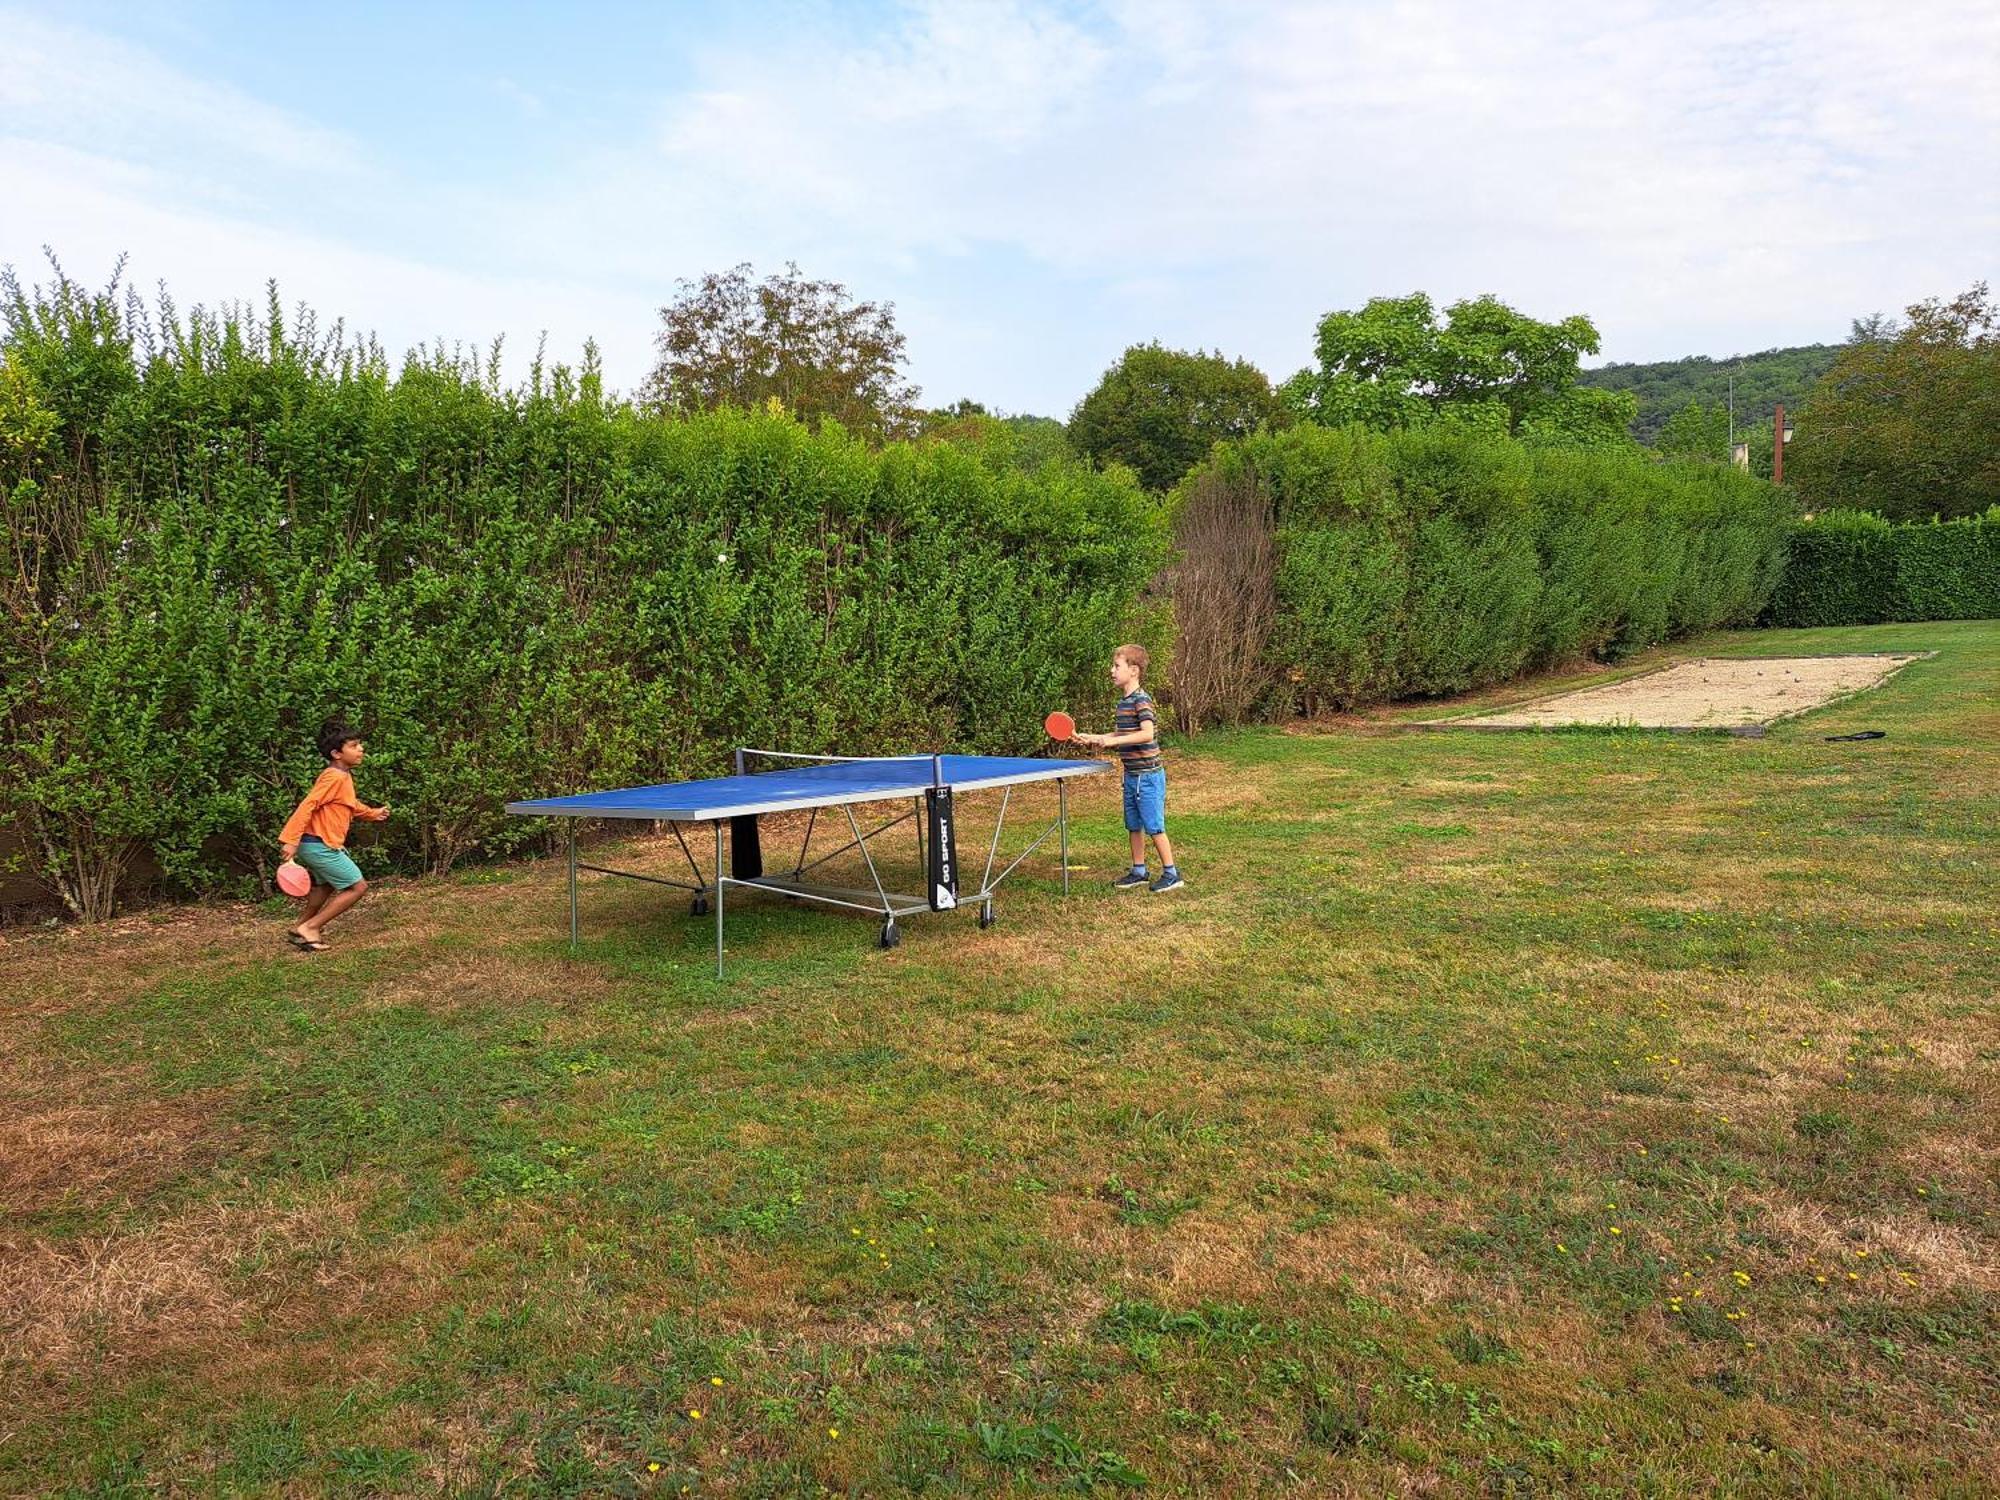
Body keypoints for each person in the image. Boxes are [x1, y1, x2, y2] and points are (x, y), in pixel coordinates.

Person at [1075, 644, 1183, 893]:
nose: (1111, 670)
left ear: (1133, 670)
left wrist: (1112, 741)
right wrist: (1093, 737)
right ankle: (1139, 870)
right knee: (1133, 825)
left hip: (1148, 776)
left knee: (1154, 825)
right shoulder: (1123, 702)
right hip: (1131, 775)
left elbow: (1147, 734)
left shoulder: (1141, 700)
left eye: (1116, 666)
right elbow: (1122, 733)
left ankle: (1171, 873)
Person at [277, 718, 390, 951]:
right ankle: (310, 928)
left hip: (318, 843)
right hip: (318, 844)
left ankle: (299, 927)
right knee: (357, 887)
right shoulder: (333, 776)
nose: (361, 749)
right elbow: (308, 804)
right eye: (354, 745)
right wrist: (290, 840)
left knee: (325, 886)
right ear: (337, 753)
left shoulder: (343, 775)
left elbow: (349, 804)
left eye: (360, 744)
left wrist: (372, 813)